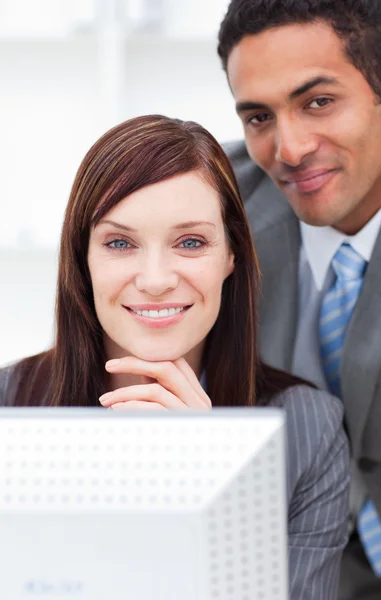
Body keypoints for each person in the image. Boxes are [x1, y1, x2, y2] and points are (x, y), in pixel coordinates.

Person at [0, 115, 349, 598]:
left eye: (190, 242)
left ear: (231, 256)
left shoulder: (308, 430)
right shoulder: (7, 405)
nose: (156, 278)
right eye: (120, 243)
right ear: (83, 258)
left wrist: (208, 477)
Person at [217, 1, 381, 598]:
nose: (288, 149)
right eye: (259, 116)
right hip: (276, 562)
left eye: (318, 102)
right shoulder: (217, 205)